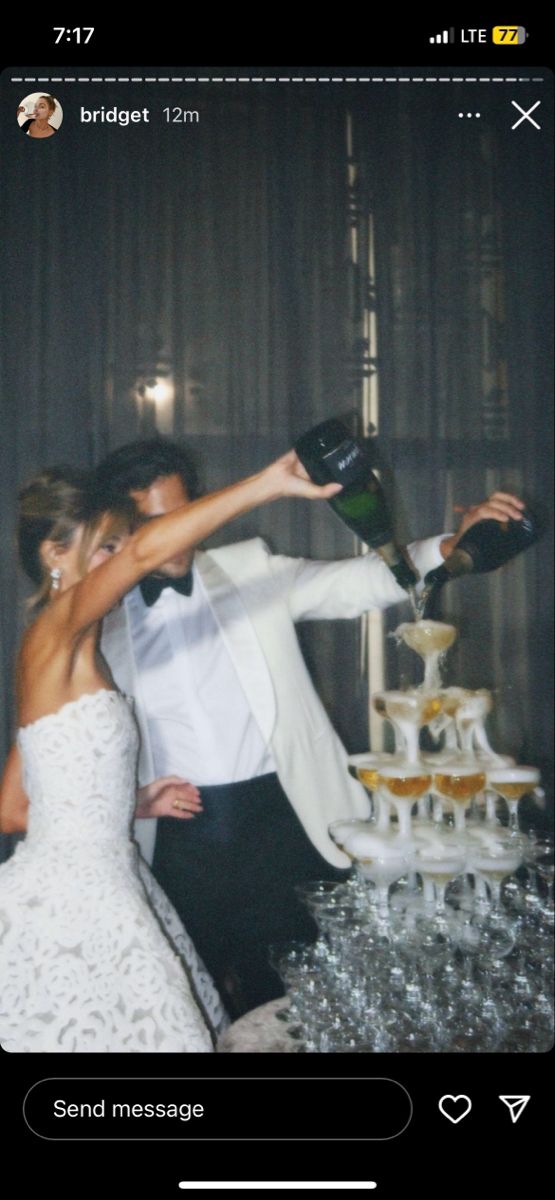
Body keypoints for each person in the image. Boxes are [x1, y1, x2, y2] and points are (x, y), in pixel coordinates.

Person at [95, 437, 526, 1017]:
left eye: (181, 514)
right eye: (152, 523)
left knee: (304, 1006)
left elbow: (358, 583)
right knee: (184, 1011)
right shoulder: (94, 624)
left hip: (281, 825)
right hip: (174, 849)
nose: (174, 533)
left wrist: (451, 547)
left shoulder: (249, 569)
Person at [0, 452, 335, 1052]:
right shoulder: (56, 630)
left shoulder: (74, 646)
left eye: (119, 546)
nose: (123, 560)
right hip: (76, 905)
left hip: (113, 884)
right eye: (108, 546)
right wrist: (264, 484)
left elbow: (12, 810)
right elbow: (144, 556)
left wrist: (128, 802)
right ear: (56, 554)